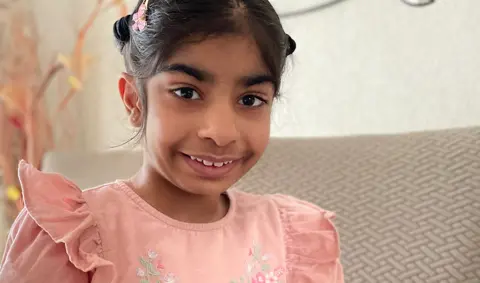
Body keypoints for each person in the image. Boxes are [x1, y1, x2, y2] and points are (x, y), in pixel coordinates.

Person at [0, 0, 343, 282]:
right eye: (187, 92)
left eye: (251, 99)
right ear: (135, 100)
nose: (221, 132)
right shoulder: (71, 239)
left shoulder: (295, 238)